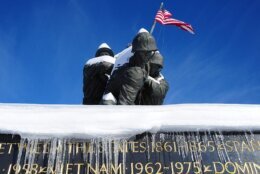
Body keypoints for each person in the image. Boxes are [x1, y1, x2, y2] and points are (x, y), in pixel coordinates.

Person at [102, 29, 158, 105]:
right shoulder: (134, 72)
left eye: (150, 52)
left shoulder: (128, 67)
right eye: (145, 52)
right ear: (136, 52)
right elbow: (125, 106)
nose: (148, 56)